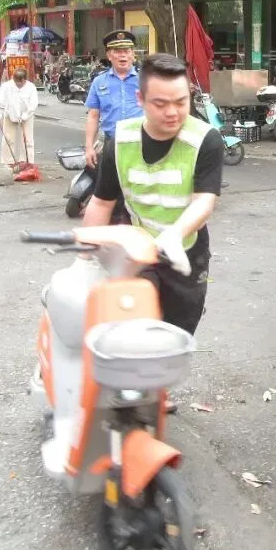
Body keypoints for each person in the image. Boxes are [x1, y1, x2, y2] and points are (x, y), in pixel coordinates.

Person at [82, 53, 224, 337]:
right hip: (138, 250)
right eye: (160, 104)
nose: (172, 112)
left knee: (173, 338)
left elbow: (204, 201)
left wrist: (173, 236)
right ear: (140, 99)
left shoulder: (205, 139)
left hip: (186, 253)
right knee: (133, 331)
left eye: (181, 102)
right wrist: (83, 259)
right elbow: (101, 202)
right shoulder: (121, 141)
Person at [84, 29, 143, 168]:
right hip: (111, 145)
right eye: (117, 51)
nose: (123, 56)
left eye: (127, 51)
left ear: (133, 55)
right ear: (109, 56)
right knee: (109, 186)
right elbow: (93, 117)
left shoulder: (146, 80)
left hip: (141, 144)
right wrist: (89, 148)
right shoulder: (99, 82)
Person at [0, 68, 39, 164]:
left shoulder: (31, 87)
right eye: (16, 82)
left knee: (28, 140)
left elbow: (33, 104)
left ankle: (28, 162)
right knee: (8, 139)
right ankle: (7, 162)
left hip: (26, 115)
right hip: (10, 114)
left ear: (24, 80)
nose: (18, 84)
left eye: (20, 82)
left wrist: (26, 115)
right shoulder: (7, 86)